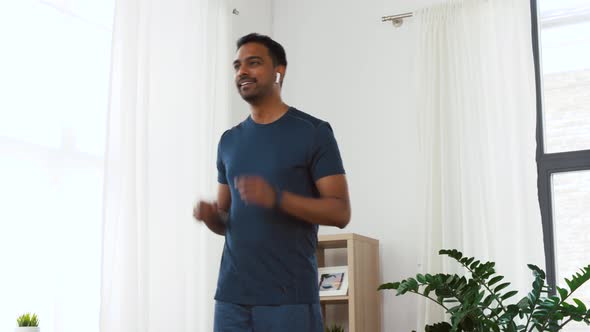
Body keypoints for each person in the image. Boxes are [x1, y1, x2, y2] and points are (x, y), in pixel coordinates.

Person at [193, 32, 351, 332]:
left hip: (288, 298)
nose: (242, 72)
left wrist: (277, 198)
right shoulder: (229, 141)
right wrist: (211, 216)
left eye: (254, 63)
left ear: (279, 70)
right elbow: (227, 222)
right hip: (231, 298)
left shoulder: (314, 132)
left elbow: (340, 212)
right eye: (237, 65)